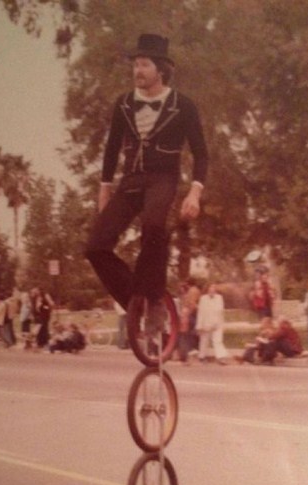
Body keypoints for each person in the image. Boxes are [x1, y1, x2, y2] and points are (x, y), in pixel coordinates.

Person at [85, 33, 208, 332]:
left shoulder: (183, 105)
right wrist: (104, 188)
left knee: (153, 227)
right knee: (95, 246)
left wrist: (194, 193)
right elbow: (112, 149)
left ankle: (154, 300)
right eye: (135, 65)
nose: (137, 71)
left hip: (162, 179)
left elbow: (201, 153)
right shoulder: (124, 104)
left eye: (144, 65)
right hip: (131, 180)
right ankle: (134, 299)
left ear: (160, 69)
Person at [195, 283, 229, 365]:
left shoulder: (219, 298)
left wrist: (219, 324)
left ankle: (221, 357)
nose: (212, 290)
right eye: (210, 289)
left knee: (218, 341)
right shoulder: (203, 299)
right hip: (206, 324)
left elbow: (220, 311)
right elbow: (201, 313)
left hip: (217, 324)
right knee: (204, 341)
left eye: (213, 289)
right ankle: (202, 357)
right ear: (207, 290)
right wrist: (199, 326)